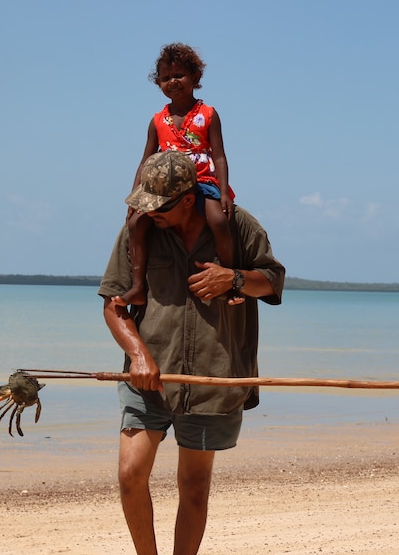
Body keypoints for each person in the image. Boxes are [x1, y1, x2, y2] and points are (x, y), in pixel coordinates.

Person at [99, 150, 286, 555]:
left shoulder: (237, 224)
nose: (150, 213)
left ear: (187, 199)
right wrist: (138, 356)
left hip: (213, 381)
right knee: (130, 474)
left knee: (195, 488)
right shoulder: (138, 230)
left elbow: (271, 281)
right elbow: (114, 305)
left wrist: (232, 278)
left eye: (159, 206)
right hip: (147, 381)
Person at [117, 42, 242, 307]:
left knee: (219, 221)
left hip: (201, 181)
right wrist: (134, 197)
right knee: (135, 224)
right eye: (165, 78)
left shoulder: (208, 114)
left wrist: (223, 192)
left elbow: (219, 155)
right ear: (158, 83)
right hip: (166, 186)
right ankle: (138, 286)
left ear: (195, 77)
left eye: (179, 75)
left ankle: (230, 281)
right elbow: (146, 159)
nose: (172, 82)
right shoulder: (157, 120)